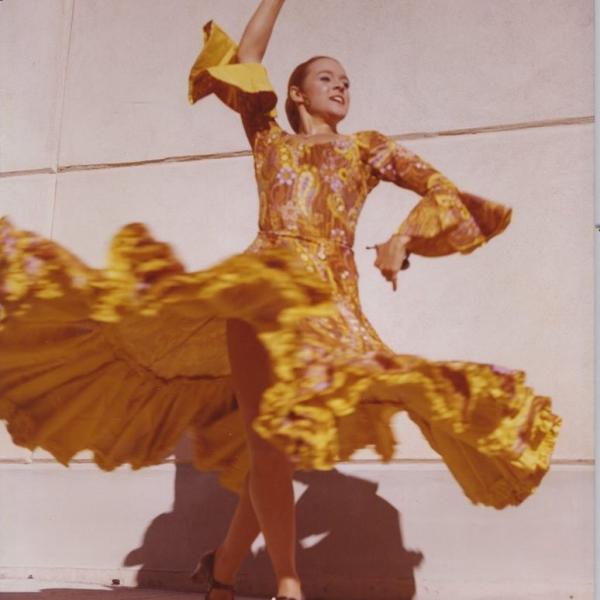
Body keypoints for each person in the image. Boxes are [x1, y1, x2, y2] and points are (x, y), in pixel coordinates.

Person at [0, 1, 561, 599]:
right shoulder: (268, 137)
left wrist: (403, 239)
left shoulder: (368, 147)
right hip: (260, 292)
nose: (341, 85)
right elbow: (246, 58)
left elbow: (442, 191)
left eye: (347, 80)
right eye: (327, 77)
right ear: (295, 94)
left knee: (281, 451)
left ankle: (220, 570)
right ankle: (288, 585)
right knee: (269, 446)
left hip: (333, 306)